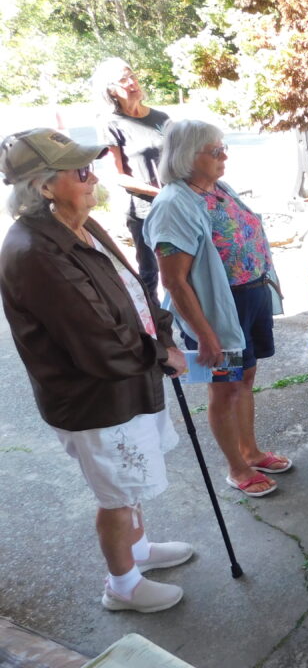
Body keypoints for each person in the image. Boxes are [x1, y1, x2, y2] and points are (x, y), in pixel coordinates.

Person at [0, 129, 192, 613]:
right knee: (116, 493)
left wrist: (162, 336)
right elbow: (95, 337)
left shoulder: (77, 224)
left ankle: (140, 551)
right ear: (44, 187)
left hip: (125, 380)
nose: (93, 177)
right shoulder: (34, 250)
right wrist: (159, 354)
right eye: (80, 171)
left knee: (130, 481)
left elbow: (136, 290)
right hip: (96, 395)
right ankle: (122, 584)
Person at [143, 120, 290, 498]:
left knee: (244, 380)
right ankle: (237, 468)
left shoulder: (217, 188)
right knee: (224, 388)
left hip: (248, 303)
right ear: (186, 157)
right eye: (215, 151)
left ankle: (251, 451)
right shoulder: (174, 205)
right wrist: (206, 334)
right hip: (217, 314)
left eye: (223, 148)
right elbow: (174, 282)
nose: (225, 155)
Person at [91, 58, 170, 299]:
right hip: (142, 211)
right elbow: (118, 176)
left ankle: (189, 325)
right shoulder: (110, 123)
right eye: (123, 80)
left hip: (173, 205)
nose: (132, 82)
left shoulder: (160, 117)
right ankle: (155, 329)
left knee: (181, 266)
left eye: (132, 75)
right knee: (150, 272)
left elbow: (178, 157)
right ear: (111, 91)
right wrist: (159, 194)